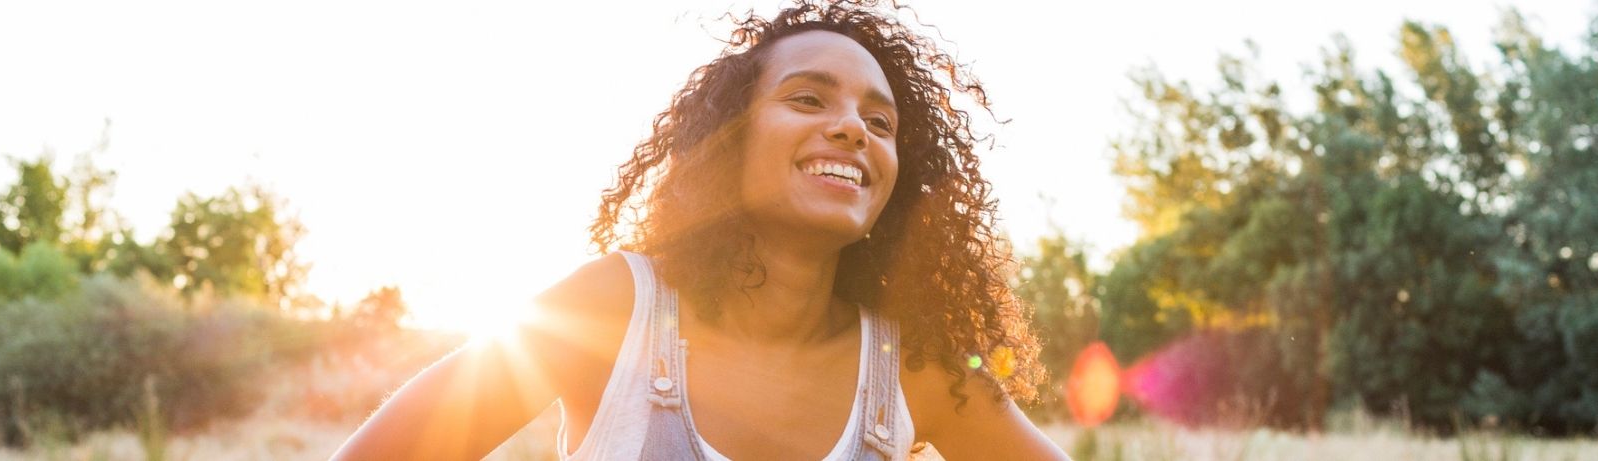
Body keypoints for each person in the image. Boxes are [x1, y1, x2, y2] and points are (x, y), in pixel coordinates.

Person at [333, 1, 1065, 459]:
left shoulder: (915, 366)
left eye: (880, 122)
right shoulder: (611, 309)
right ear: (728, 142)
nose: (851, 128)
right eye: (808, 98)